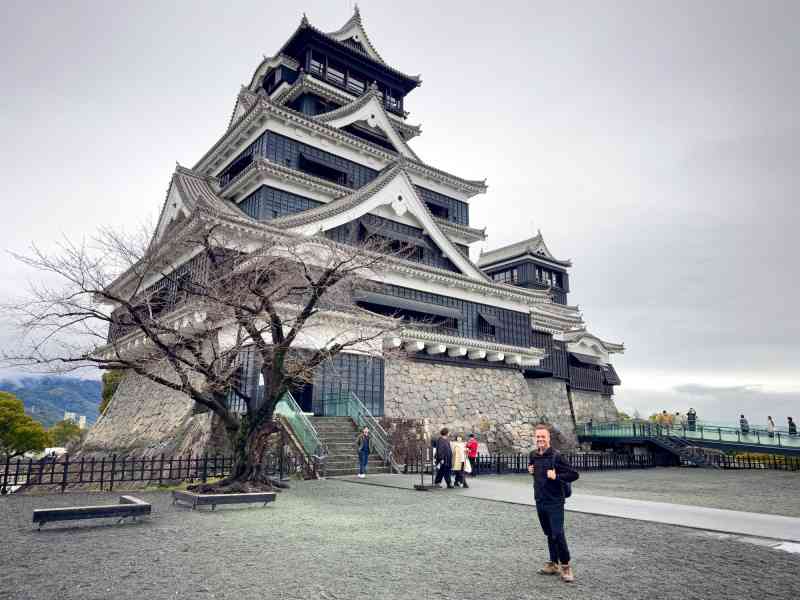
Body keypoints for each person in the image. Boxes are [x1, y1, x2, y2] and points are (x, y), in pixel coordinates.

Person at [527, 425, 579, 584]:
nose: (540, 439)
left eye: (543, 437)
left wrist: (556, 476)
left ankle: (566, 566)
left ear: (548, 438)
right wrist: (531, 471)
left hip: (555, 501)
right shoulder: (533, 455)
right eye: (538, 437)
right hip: (540, 500)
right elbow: (537, 474)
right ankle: (553, 563)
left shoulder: (557, 456)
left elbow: (573, 474)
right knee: (549, 533)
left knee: (558, 533)